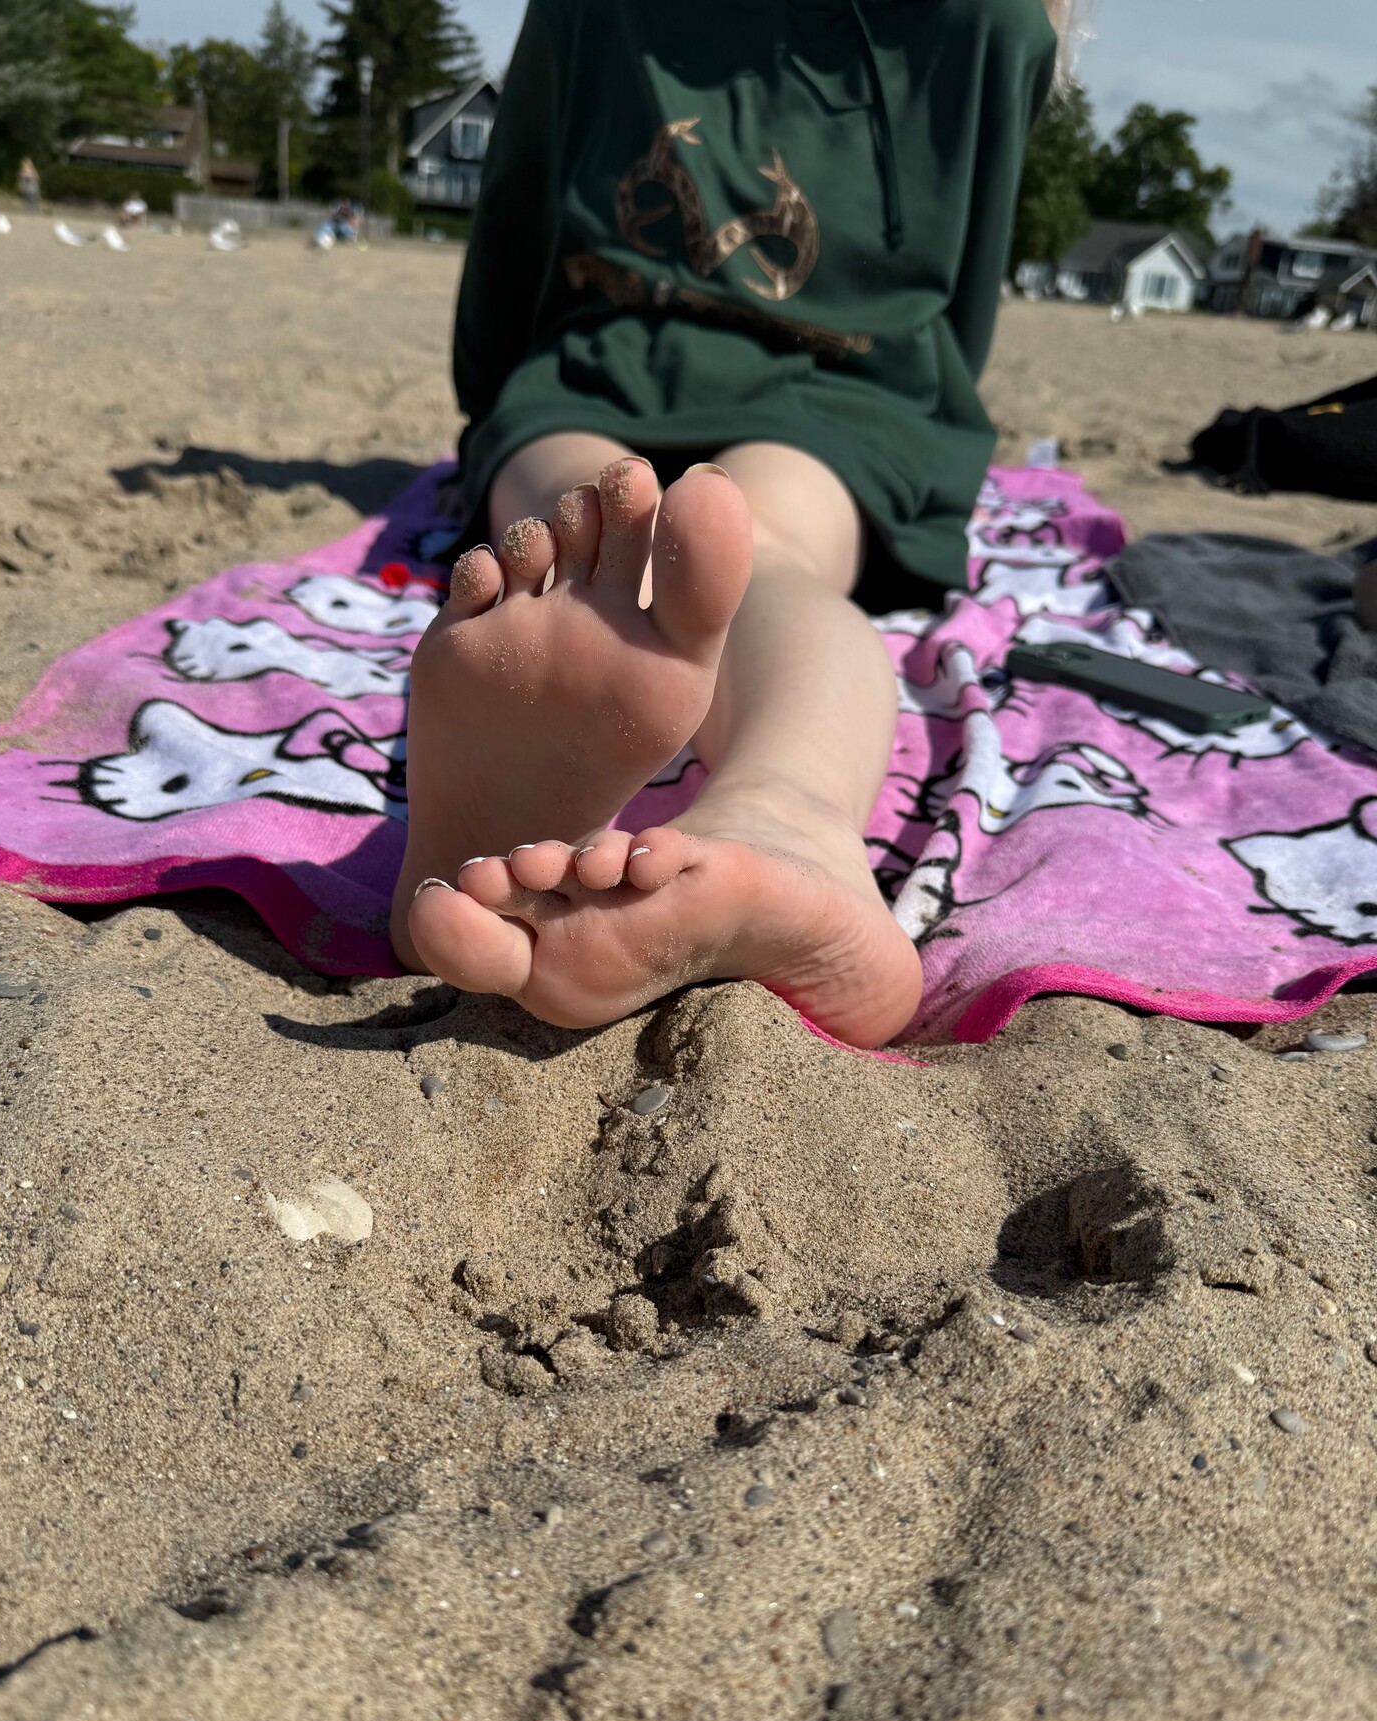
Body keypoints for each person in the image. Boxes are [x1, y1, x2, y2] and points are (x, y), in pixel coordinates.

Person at [392, 0, 1088, 1049]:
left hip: (596, 362)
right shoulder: (987, 18)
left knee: (573, 525)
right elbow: (969, 262)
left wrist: (490, 405)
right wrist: (931, 426)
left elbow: (518, 206)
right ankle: (791, 811)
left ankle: (489, 837)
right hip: (845, 392)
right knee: (771, 554)